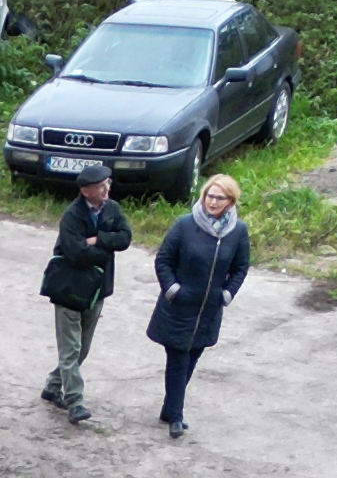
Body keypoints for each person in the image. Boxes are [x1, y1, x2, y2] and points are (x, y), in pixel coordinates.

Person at [147, 170, 248, 438]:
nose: (212, 202)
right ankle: (176, 417)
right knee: (178, 359)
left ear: (230, 201)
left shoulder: (237, 232)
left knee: (192, 357)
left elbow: (240, 267)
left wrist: (226, 294)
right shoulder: (184, 225)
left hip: (209, 311)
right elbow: (163, 260)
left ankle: (169, 408)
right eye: (209, 196)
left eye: (219, 198)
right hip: (179, 307)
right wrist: (172, 290)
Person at [39, 161, 129, 429]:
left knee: (83, 348)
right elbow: (76, 254)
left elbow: (125, 238)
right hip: (68, 290)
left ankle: (53, 386)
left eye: (107, 184)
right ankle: (75, 402)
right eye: (100, 187)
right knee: (71, 349)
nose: (106, 190)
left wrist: (97, 239)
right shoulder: (71, 216)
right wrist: (104, 247)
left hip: (96, 290)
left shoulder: (112, 209)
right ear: (86, 191)